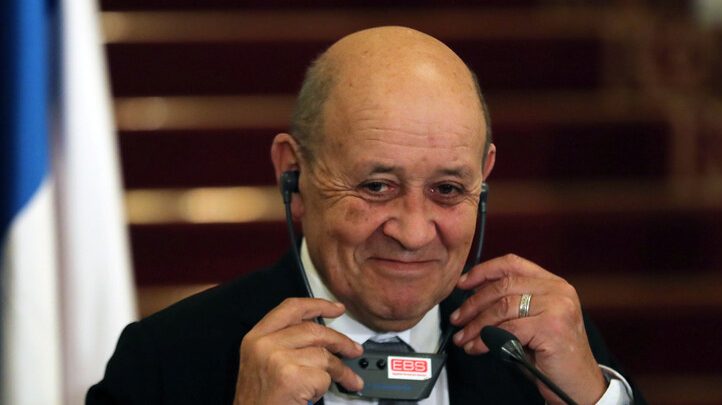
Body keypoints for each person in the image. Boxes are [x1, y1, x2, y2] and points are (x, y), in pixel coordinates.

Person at [88, 26, 643, 404]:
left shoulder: (537, 352)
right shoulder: (163, 363)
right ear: (293, 174)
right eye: (376, 186)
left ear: (484, 178)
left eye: (448, 189)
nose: (413, 232)